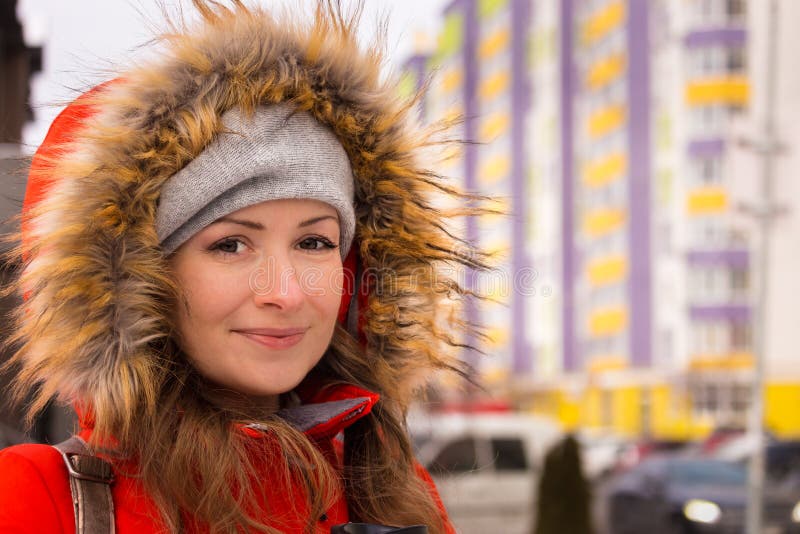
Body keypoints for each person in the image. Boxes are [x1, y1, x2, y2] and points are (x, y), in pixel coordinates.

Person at [0, 1, 487, 533]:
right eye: (231, 245)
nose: (285, 292)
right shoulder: (34, 498)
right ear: (137, 280)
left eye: (315, 242)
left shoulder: (399, 498)